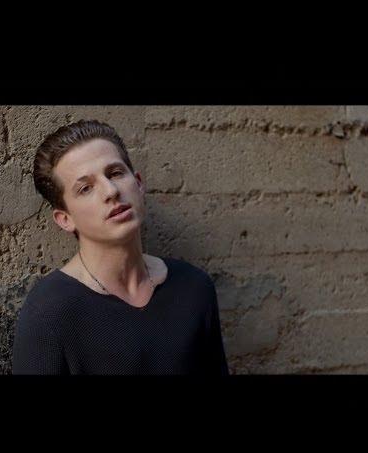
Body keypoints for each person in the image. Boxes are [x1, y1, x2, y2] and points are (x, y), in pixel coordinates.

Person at [12, 119, 229, 375]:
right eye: (85, 188)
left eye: (115, 173)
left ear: (138, 183)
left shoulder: (194, 287)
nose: (111, 191)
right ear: (65, 219)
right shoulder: (49, 313)